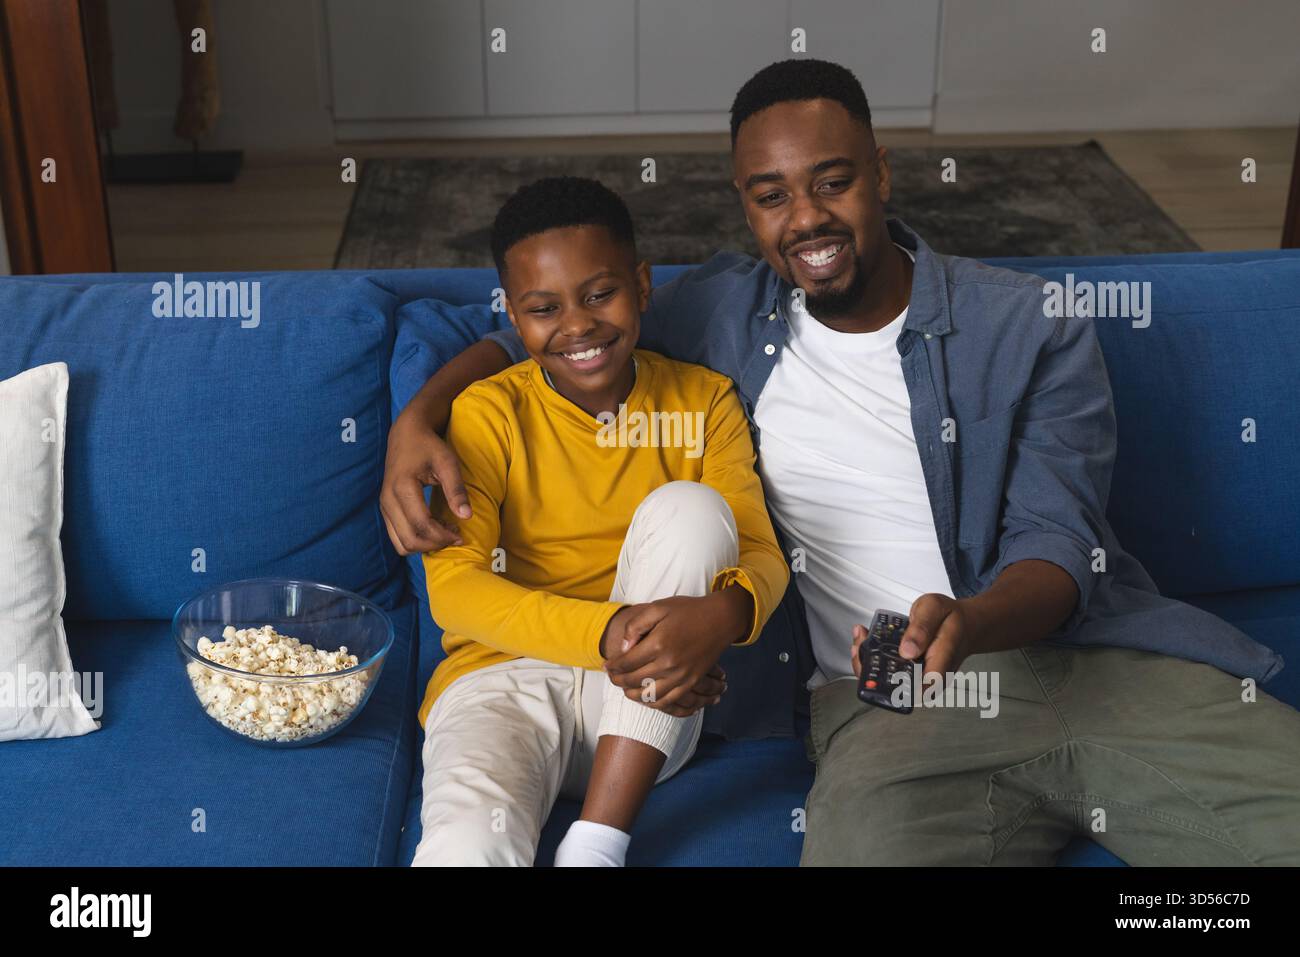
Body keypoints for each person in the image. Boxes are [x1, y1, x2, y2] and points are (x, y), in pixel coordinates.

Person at [389, 59, 1300, 865]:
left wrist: (972, 620)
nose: (807, 219)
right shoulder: (720, 314)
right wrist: (417, 418)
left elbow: (1060, 543)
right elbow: (541, 334)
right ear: (745, 207)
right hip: (888, 701)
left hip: (1093, 662)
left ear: (882, 175)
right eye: (771, 195)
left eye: (833, 182)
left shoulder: (1026, 324)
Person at [410, 176, 788, 866]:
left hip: (643, 710)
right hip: (503, 685)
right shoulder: (488, 412)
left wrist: (720, 618)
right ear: (512, 314)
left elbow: (759, 551)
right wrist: (612, 634)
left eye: (599, 293)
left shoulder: (703, 403)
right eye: (544, 307)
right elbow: (455, 591)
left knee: (691, 509)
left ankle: (598, 843)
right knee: (465, 844)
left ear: (642, 285)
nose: (578, 325)